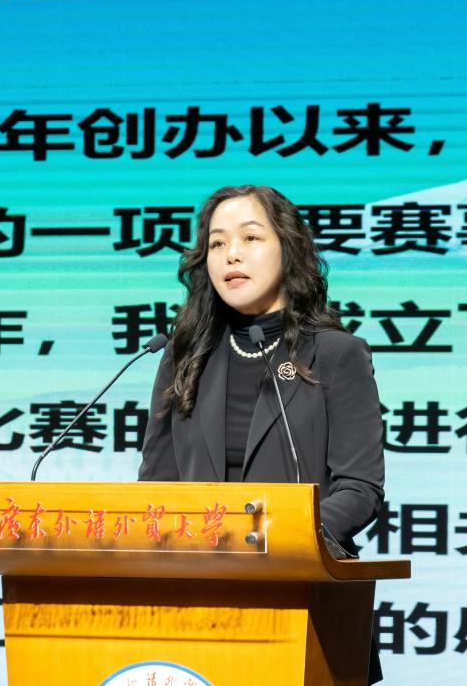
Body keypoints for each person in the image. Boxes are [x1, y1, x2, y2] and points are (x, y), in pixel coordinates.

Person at [138, 184, 386, 682]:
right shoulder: (184, 355)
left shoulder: (336, 354)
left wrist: (277, 540)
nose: (231, 254)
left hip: (308, 608)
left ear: (288, 249)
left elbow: (360, 488)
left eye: (250, 238)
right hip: (194, 607)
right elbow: (157, 487)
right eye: (217, 243)